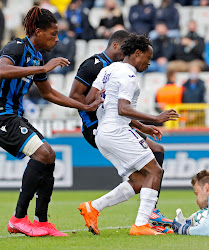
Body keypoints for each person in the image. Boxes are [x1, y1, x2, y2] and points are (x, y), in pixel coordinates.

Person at [1, 6, 101, 237]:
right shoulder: (16, 47)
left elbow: (49, 94)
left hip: (13, 114)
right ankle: (18, 218)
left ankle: (41, 221)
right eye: (53, 34)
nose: (57, 39)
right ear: (37, 31)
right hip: (1, 115)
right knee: (43, 154)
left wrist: (83, 106)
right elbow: (1, 70)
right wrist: (43, 67)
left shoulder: (37, 56)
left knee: (49, 156)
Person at [70, 31, 175, 235]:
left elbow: (92, 99)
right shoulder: (129, 75)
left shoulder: (109, 70)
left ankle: (93, 207)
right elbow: (122, 108)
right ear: (137, 53)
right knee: (155, 171)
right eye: (148, 58)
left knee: (138, 181)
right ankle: (142, 224)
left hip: (103, 133)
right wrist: (155, 118)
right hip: (118, 131)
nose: (149, 63)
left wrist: (140, 126)